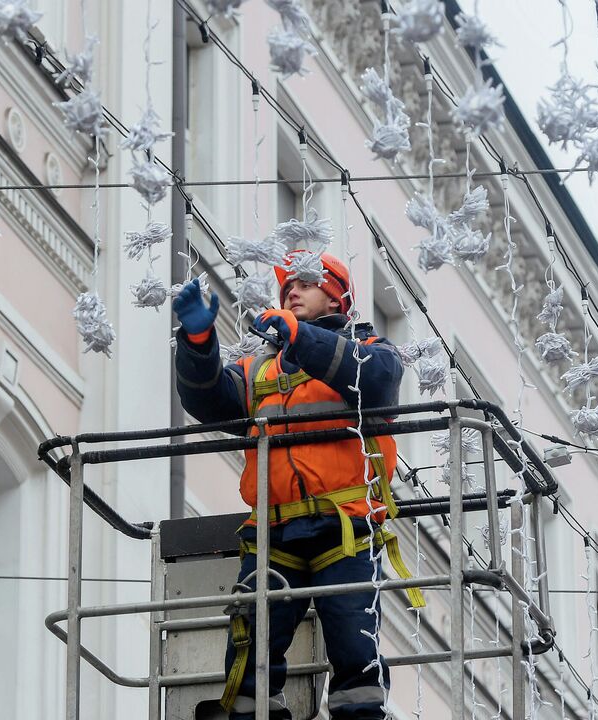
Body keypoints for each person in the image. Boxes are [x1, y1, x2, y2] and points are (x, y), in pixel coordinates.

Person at [173, 251, 419, 720]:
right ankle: (252, 713)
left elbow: (377, 381)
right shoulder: (261, 369)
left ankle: (361, 715)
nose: (291, 291)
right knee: (252, 639)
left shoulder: (371, 351)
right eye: (287, 287)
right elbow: (208, 401)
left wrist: (300, 336)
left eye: (304, 284)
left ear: (337, 296)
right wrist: (198, 341)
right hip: (272, 531)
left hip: (343, 526)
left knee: (353, 637)